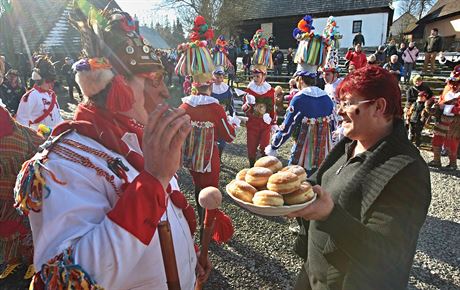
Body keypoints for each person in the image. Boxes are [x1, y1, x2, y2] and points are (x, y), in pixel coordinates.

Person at [15, 5, 211, 289]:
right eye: (153, 80)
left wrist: (189, 260)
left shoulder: (138, 140)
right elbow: (64, 280)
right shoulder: (60, 164)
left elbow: (164, 215)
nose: (166, 92)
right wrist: (153, 180)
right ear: (119, 85)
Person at [288, 65, 431, 290]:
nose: (340, 111)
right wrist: (294, 188)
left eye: (348, 103)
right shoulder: (350, 143)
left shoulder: (407, 170)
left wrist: (329, 214)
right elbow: (318, 181)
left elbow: (388, 253)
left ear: (379, 107)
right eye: (339, 103)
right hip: (313, 271)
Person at [0, 106, 43, 289]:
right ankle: (15, 261)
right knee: (10, 228)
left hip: (18, 192)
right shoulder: (22, 132)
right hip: (13, 193)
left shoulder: (19, 135)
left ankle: (31, 262)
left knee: (19, 226)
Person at [243, 29, 276, 167]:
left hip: (265, 123)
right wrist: (247, 105)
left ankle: (263, 167)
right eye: (253, 76)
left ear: (264, 76)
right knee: (251, 147)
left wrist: (273, 121)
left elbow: (272, 107)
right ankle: (252, 165)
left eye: (257, 76)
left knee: (264, 147)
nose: (255, 78)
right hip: (253, 123)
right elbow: (245, 108)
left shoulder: (270, 90)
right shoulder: (249, 89)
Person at [15, 57, 64, 131]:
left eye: (53, 80)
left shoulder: (51, 95)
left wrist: (65, 126)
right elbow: (22, 120)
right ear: (39, 79)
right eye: (48, 80)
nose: (51, 84)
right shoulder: (31, 96)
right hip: (39, 137)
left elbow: (57, 117)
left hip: (56, 134)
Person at [428, 65, 460, 170]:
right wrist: (438, 105)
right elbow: (442, 98)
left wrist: (451, 108)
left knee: (451, 142)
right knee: (436, 138)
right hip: (442, 118)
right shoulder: (447, 87)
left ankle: (453, 164)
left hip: (455, 120)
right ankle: (436, 160)